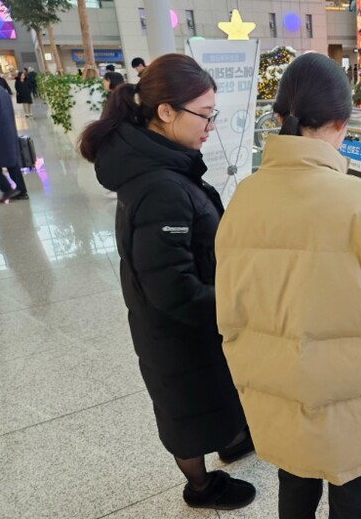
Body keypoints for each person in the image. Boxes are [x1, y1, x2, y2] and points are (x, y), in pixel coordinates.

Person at [214, 53, 361, 519]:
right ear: (342, 123)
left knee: (294, 479)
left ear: (279, 117)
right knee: (354, 496)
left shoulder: (243, 198)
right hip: (352, 399)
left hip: (278, 389)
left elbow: (231, 305)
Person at [78, 54, 256, 511]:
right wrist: (239, 303)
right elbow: (174, 289)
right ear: (165, 111)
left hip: (179, 320)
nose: (211, 125)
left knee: (207, 396)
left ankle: (232, 438)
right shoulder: (160, 185)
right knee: (186, 411)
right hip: (175, 330)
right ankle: (201, 488)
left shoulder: (157, 162)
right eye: (205, 114)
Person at [0, 82, 29, 203]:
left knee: (6, 161)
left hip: (0, 132)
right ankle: (21, 190)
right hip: (7, 130)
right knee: (11, 162)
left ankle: (7, 189)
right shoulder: (1, 90)